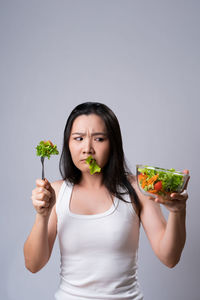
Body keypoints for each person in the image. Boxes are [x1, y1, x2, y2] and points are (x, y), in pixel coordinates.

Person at [23, 102, 190, 300]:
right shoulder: (56, 192)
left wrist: (178, 212)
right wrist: (42, 216)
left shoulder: (137, 189)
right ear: (68, 144)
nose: (87, 149)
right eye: (79, 138)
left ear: (113, 144)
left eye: (99, 139)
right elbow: (33, 264)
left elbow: (170, 258)